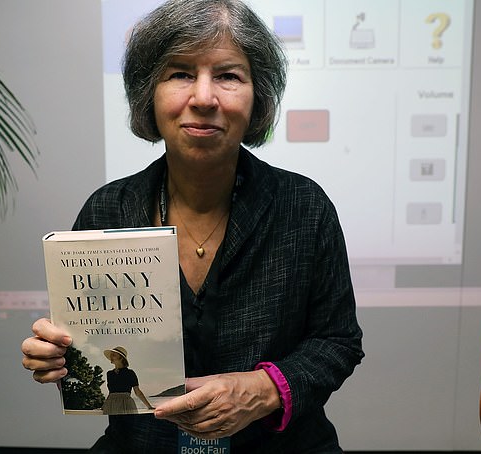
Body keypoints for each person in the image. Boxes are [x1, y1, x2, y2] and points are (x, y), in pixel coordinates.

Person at [21, 0, 364, 452]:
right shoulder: (107, 210)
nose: (203, 98)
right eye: (180, 73)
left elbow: (338, 341)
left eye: (228, 75)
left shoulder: (304, 207)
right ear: (149, 93)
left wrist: (262, 390)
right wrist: (58, 356)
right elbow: (89, 350)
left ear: (257, 96)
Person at [101, 346, 154, 414]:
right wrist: (104, 406)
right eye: (111, 355)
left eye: (113, 355)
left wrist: (149, 406)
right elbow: (111, 392)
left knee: (127, 424)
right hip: (111, 404)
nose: (111, 356)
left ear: (121, 358)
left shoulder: (130, 373)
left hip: (126, 404)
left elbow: (137, 392)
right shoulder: (109, 374)